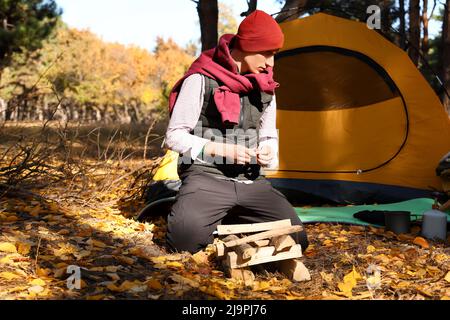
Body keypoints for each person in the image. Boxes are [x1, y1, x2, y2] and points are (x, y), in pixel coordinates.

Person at [164, 10, 309, 254]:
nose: (271, 63)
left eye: (275, 55)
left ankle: (226, 219)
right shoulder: (201, 78)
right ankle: (211, 215)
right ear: (246, 46)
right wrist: (220, 150)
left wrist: (268, 151)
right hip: (206, 177)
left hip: (251, 181)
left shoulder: (266, 87)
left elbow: (269, 136)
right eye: (266, 53)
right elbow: (174, 135)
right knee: (183, 242)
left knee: (297, 240)